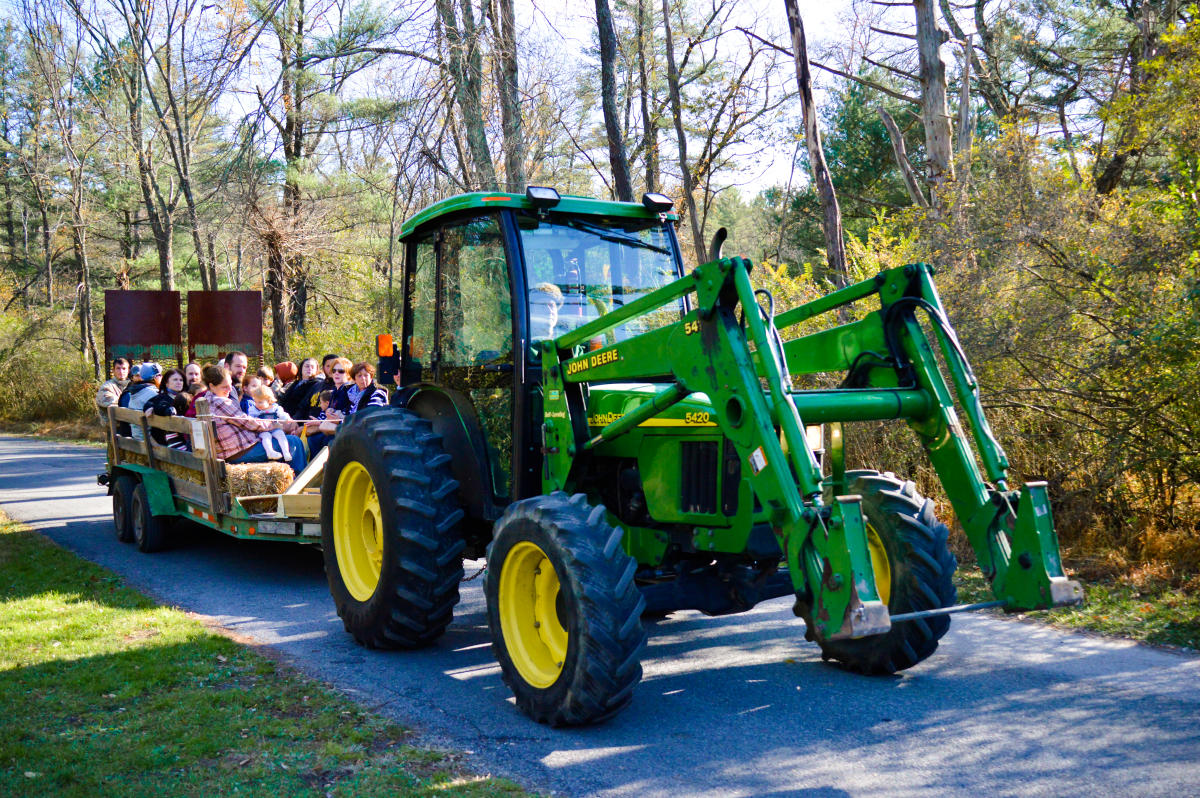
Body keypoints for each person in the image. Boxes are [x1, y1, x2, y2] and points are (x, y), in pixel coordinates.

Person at [201, 364, 307, 475]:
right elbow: (247, 422)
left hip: (236, 451)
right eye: (224, 387)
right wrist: (274, 425)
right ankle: (300, 483)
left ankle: (290, 480)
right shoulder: (220, 402)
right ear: (212, 386)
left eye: (230, 385)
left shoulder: (207, 400)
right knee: (294, 442)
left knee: (282, 443)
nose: (229, 389)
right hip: (241, 453)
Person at [247, 384, 294, 462]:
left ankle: (286, 452)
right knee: (266, 437)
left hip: (275, 428)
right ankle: (270, 452)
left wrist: (287, 419)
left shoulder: (275, 408)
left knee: (281, 435)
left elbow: (283, 415)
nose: (257, 404)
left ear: (269, 401)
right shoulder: (254, 409)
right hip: (263, 430)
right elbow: (250, 418)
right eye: (255, 401)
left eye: (260, 402)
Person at [117, 363, 161, 439]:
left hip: (136, 435)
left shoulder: (133, 392)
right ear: (155, 377)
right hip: (147, 438)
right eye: (159, 375)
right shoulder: (153, 393)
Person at [145, 368, 186, 446]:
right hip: (165, 440)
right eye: (175, 380)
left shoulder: (185, 397)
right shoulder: (162, 397)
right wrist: (149, 407)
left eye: (181, 380)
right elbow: (152, 404)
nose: (179, 382)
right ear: (167, 383)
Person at [96, 357, 130, 427]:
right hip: (113, 427)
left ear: (128, 370)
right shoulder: (106, 387)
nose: (121, 371)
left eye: (124, 368)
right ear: (113, 370)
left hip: (131, 424)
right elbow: (111, 404)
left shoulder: (133, 385)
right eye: (118, 368)